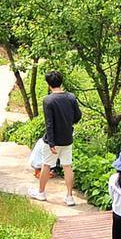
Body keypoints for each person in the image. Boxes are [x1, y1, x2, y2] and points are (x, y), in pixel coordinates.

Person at [30, 71, 81, 205]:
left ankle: (41, 193)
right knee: (67, 166)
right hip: (67, 138)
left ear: (48, 84)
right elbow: (78, 116)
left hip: (53, 141)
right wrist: (68, 122)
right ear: (61, 82)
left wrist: (51, 142)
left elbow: (49, 123)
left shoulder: (48, 100)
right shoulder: (71, 97)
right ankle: (69, 197)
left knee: (46, 165)